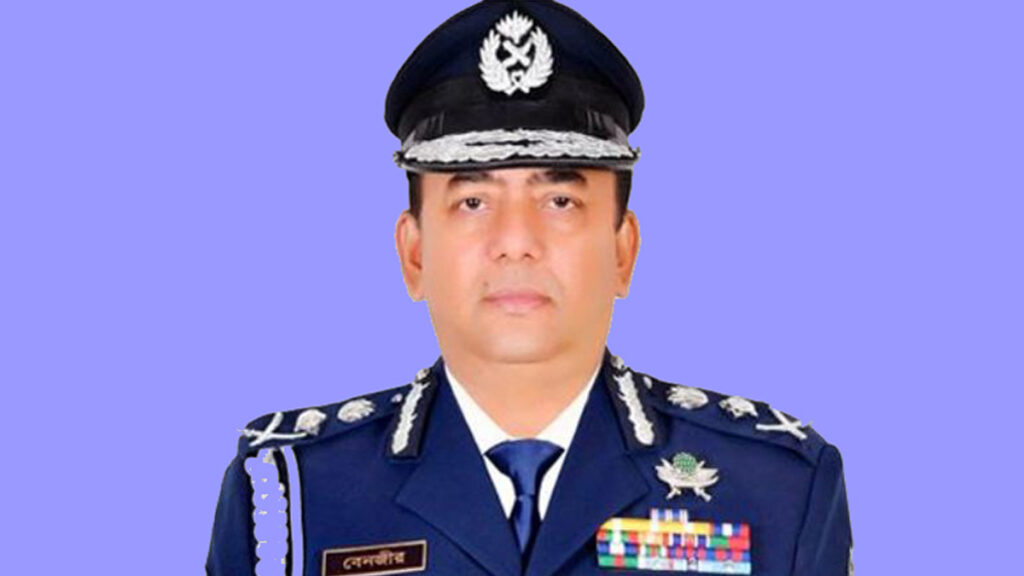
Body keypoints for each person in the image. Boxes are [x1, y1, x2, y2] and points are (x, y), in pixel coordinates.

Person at [205, 1, 854, 575]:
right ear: (414, 252)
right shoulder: (294, 499)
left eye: (560, 200)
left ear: (622, 249)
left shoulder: (776, 490)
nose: (516, 240)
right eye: (473, 202)